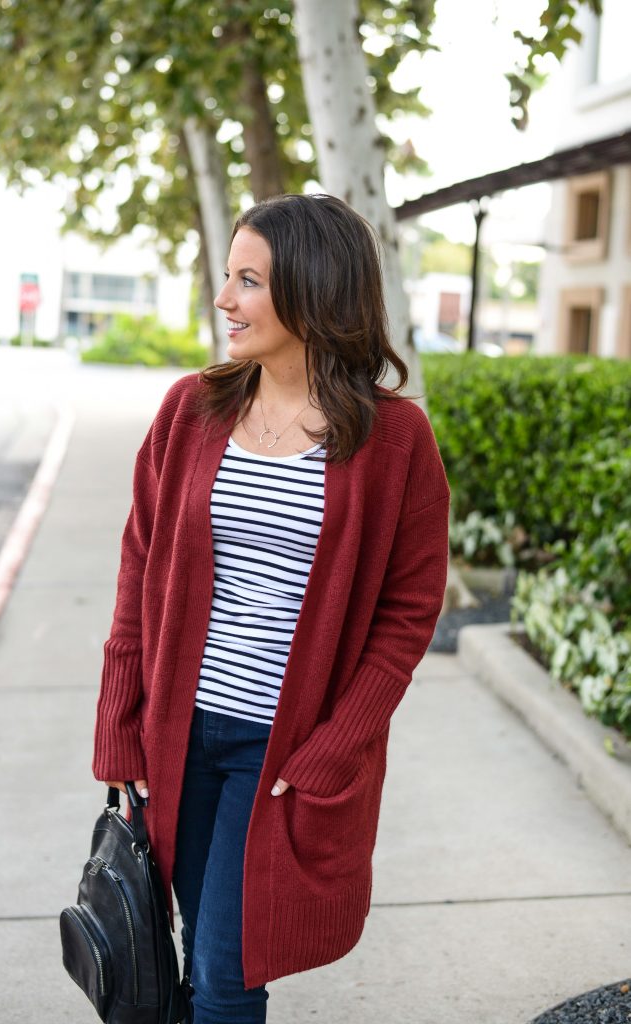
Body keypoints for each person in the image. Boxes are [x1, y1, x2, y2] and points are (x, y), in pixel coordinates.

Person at [93, 193, 450, 1024]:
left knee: (226, 972)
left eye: (247, 281)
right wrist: (119, 720)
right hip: (176, 738)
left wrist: (335, 747)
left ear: (314, 292)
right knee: (167, 958)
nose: (224, 300)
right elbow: (139, 567)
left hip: (279, 755)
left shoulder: (393, 440)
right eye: (227, 277)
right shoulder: (193, 409)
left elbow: (407, 616)